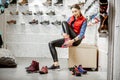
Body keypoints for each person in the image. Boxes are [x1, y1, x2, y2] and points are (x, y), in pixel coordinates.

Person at [48, 4, 87, 69]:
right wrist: (63, 34)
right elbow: (63, 29)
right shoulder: (70, 18)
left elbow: (81, 34)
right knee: (51, 43)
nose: (74, 13)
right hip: (68, 39)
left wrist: (71, 41)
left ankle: (67, 40)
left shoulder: (84, 20)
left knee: (64, 22)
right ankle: (56, 64)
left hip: (76, 40)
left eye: (75, 11)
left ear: (79, 10)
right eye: (73, 12)